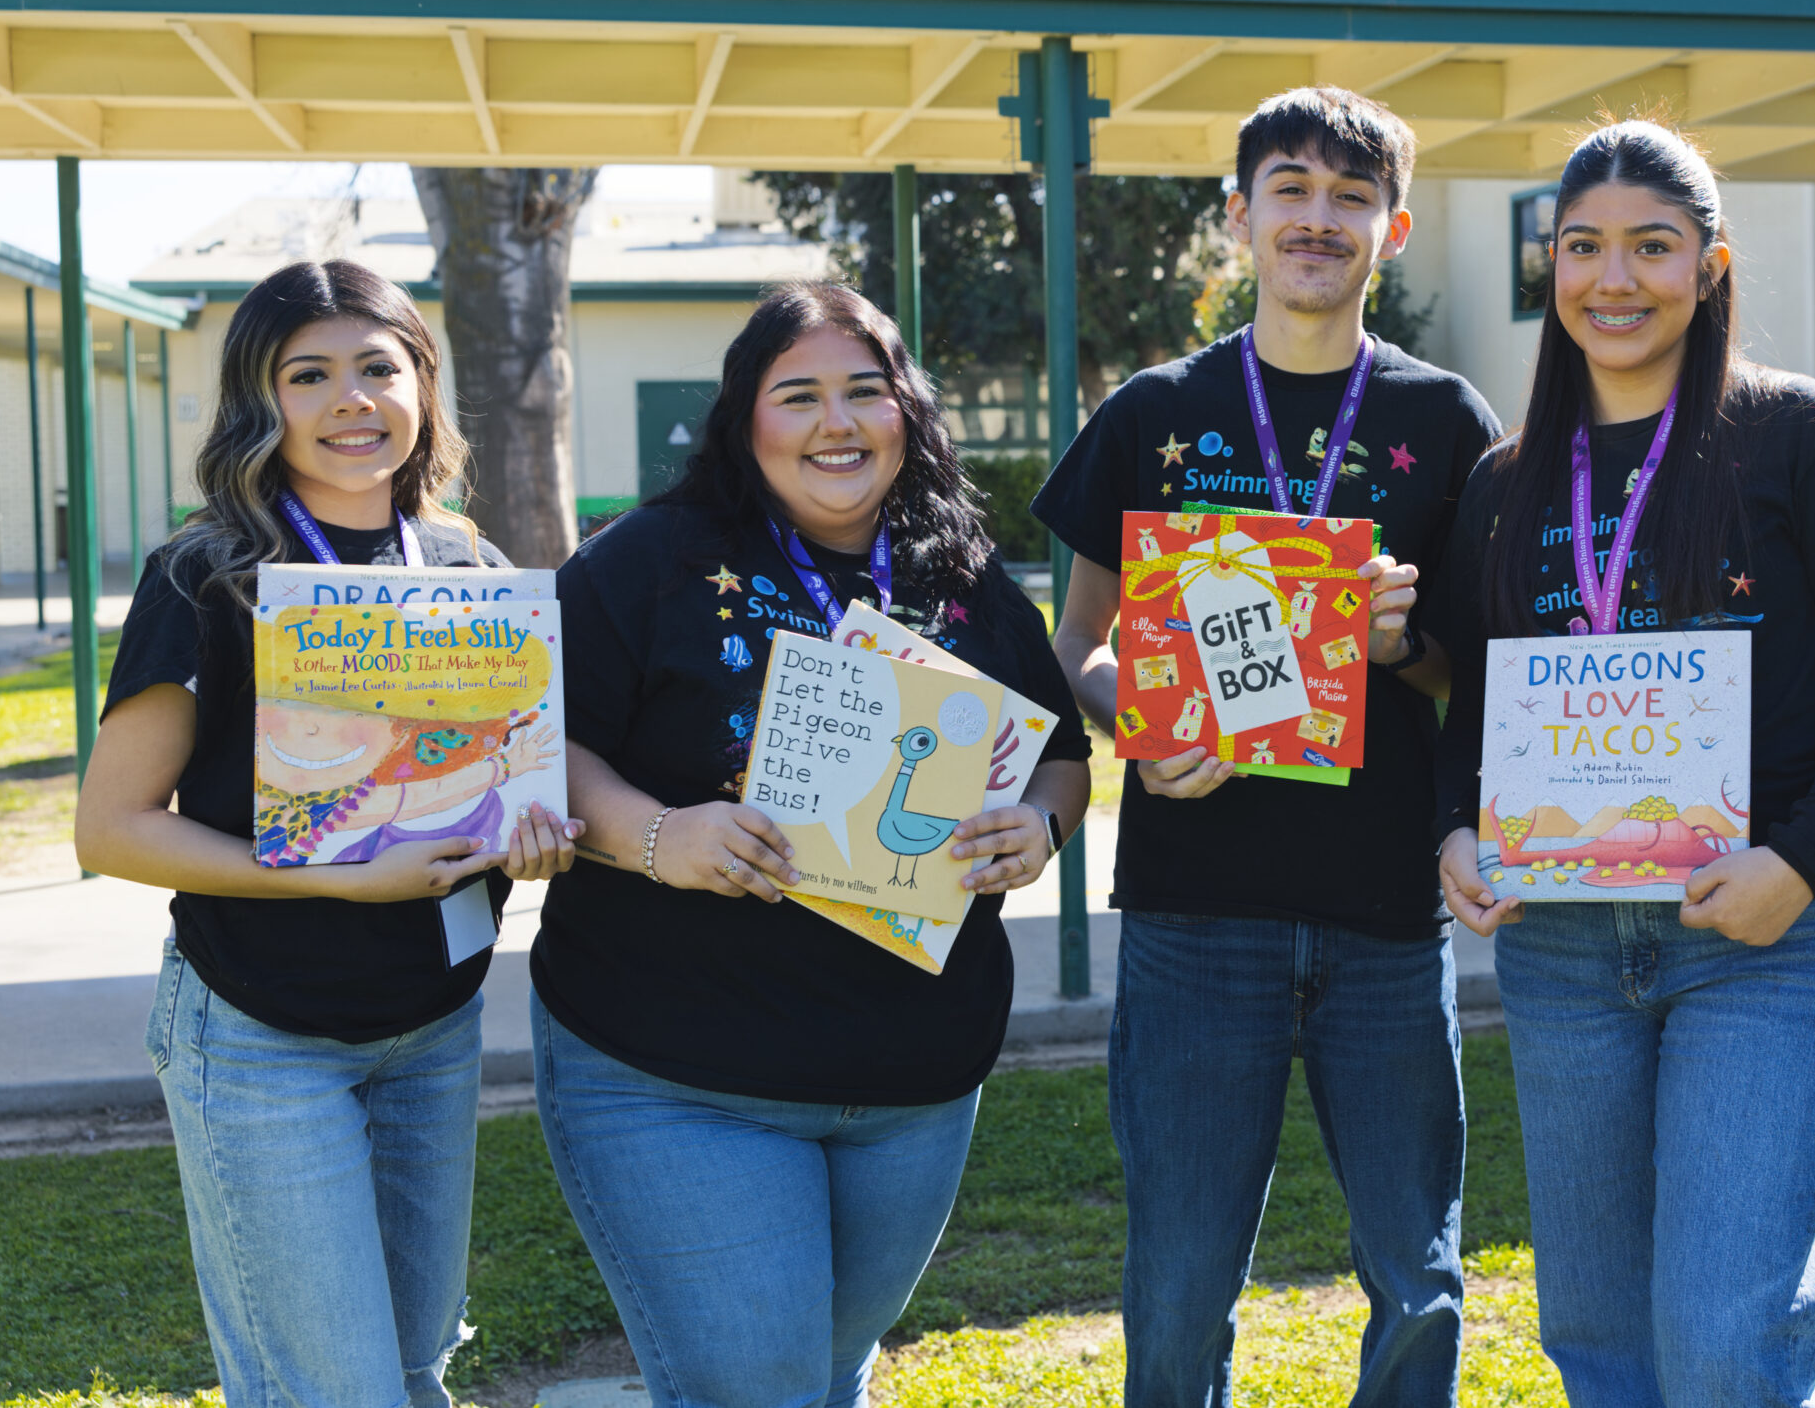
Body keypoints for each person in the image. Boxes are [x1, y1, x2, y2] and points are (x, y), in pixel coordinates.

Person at [1431, 118, 1815, 1408]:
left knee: (1722, 1341)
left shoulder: (1798, 437)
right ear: (1550, 269)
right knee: (1597, 1338)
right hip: (1563, 949)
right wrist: (1453, 831)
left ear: (1709, 266)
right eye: (1582, 247)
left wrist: (1803, 860)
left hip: (1765, 939)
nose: (1615, 278)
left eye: (1652, 246)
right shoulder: (1501, 483)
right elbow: (1475, 694)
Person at [528, 281, 1091, 1408]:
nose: (836, 423)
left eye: (864, 392)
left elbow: (1061, 755)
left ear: (905, 414)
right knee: (761, 1385)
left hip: (913, 1086)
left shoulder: (966, 577)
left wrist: (1037, 826)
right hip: (675, 1071)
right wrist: (657, 837)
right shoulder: (644, 562)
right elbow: (544, 747)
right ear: (746, 421)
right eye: (799, 395)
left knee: (828, 1373)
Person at [1034, 86, 1500, 1405]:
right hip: (1196, 912)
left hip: (1387, 917)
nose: (1317, 217)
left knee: (1418, 1267)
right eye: (1289, 187)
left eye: (1352, 195)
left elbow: (1482, 675)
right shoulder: (1151, 412)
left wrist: (1399, 640)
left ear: (1394, 227)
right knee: (1180, 1275)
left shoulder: (1449, 422)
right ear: (1237, 216)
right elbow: (1078, 649)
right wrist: (1141, 719)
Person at [75, 260, 576, 1408]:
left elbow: (500, 780)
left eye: (376, 367)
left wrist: (530, 834)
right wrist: (332, 884)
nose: (351, 399)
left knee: (411, 1368)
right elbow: (112, 829)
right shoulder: (208, 571)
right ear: (263, 401)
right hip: (260, 1030)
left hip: (433, 1026)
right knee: (331, 1391)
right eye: (310, 374)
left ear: (422, 386)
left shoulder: (471, 572)